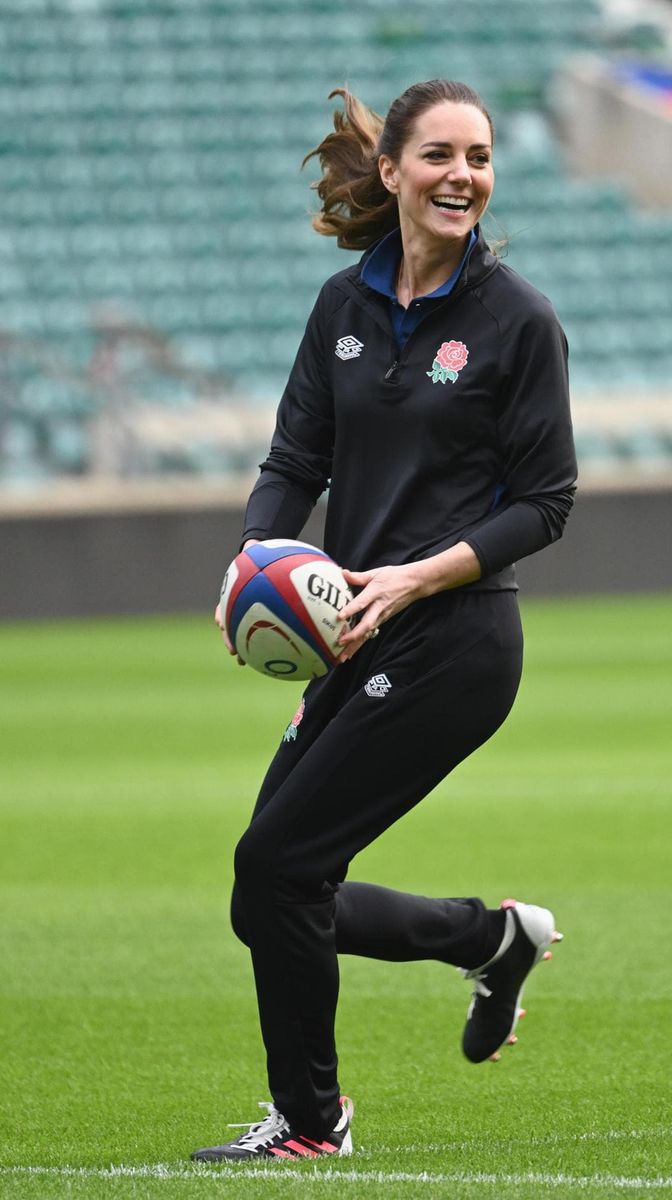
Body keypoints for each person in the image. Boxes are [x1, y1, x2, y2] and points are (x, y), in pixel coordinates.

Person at [192, 78, 576, 1163]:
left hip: (456, 642)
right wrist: (255, 560)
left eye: (483, 157)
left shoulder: (519, 320)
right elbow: (293, 461)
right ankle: (491, 940)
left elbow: (547, 504)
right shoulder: (340, 308)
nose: (465, 175)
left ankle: (311, 1127)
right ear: (396, 171)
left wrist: (413, 578)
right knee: (269, 892)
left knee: (277, 870)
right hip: (352, 635)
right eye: (443, 155)